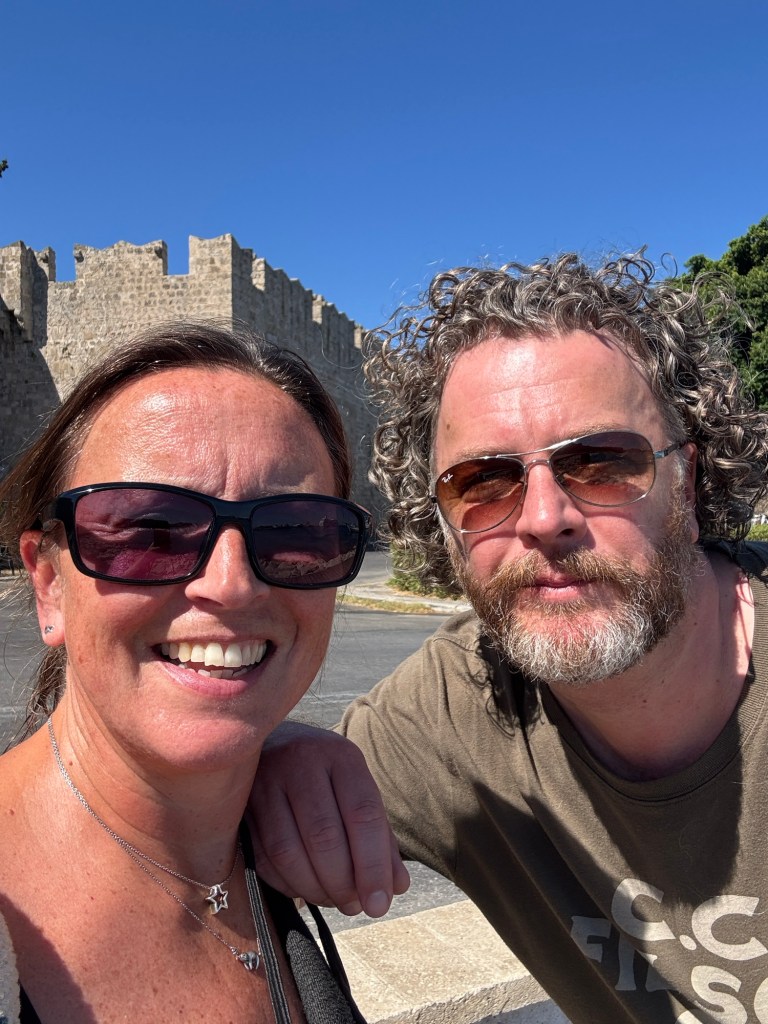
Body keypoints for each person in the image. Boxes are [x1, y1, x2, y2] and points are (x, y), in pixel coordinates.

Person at [249, 253, 768, 1023]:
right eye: (483, 483)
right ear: (445, 527)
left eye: (602, 463)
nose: (544, 518)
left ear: (686, 485)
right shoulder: (449, 714)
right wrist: (268, 752)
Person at [0, 322, 372, 1023]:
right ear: (49, 585)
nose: (231, 585)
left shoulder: (263, 841)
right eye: (150, 530)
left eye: (294, 531)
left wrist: (285, 746)